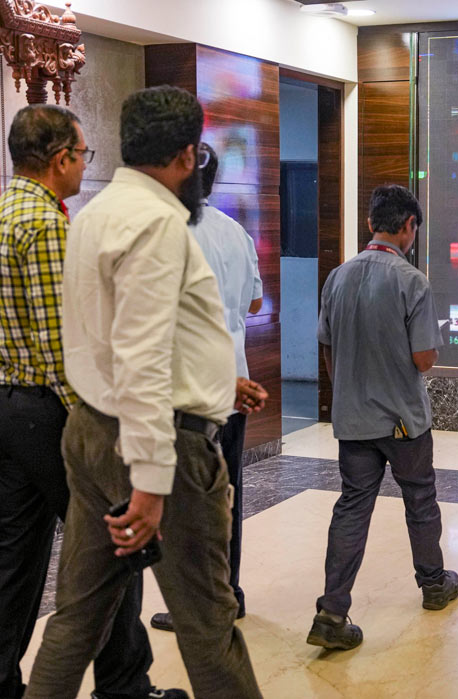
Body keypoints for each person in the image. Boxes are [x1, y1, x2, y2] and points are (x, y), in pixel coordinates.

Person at [24, 86, 264, 699]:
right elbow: (142, 354)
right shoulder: (157, 223)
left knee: (78, 617)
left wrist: (217, 382)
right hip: (159, 448)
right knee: (208, 623)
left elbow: (121, 336)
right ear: (188, 156)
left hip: (91, 430)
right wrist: (152, 483)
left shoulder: (96, 211)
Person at [0, 105, 174, 699]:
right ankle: (125, 687)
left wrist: (4, 380)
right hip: (49, 414)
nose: (86, 165)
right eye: (84, 155)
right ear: (60, 160)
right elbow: (63, 345)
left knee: (17, 558)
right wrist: (101, 424)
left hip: (1, 408)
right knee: (118, 541)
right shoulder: (49, 227)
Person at [308, 184, 458, 651]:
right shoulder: (412, 281)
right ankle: (434, 585)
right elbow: (424, 359)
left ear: (373, 223)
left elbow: (328, 347)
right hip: (403, 422)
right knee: (420, 497)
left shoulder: (337, 277)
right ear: (408, 226)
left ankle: (332, 612)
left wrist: (348, 393)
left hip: (353, 420)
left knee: (352, 506)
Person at [150, 142, 263, 633]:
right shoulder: (236, 233)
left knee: (185, 504)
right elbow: (255, 304)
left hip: (187, 392)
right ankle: (229, 592)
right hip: (232, 384)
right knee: (227, 494)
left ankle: (196, 604)